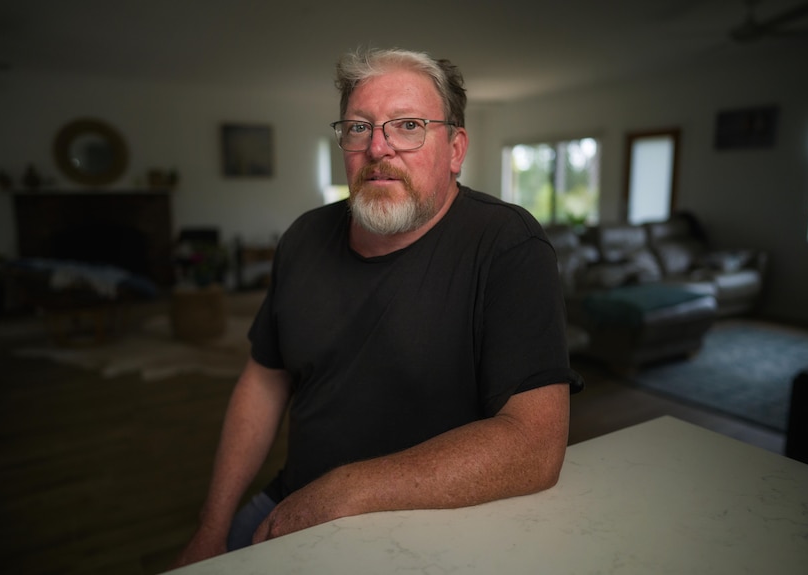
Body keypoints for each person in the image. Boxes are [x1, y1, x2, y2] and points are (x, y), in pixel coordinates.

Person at [174, 47, 584, 567]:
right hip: (293, 499)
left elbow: (535, 446)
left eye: (408, 126)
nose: (378, 148)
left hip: (440, 524)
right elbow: (264, 380)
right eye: (359, 128)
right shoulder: (303, 238)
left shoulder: (509, 246)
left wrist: (346, 489)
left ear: (455, 148)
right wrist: (212, 526)